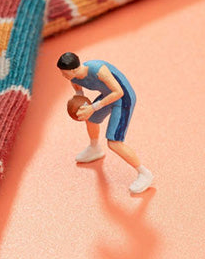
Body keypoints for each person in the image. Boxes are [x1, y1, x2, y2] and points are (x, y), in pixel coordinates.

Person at [56, 51, 154, 194]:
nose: (62, 75)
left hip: (123, 98)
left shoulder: (98, 70)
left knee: (114, 142)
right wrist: (80, 104)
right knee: (91, 120)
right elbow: (78, 91)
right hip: (108, 96)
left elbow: (118, 92)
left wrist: (92, 108)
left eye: (64, 73)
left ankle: (144, 173)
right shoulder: (74, 77)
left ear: (73, 69)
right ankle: (95, 148)